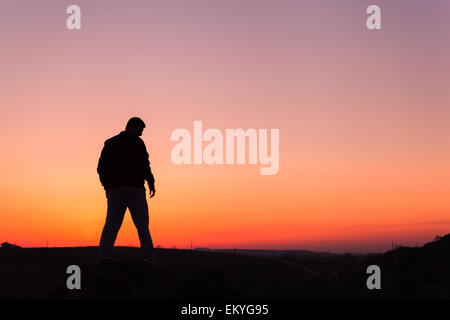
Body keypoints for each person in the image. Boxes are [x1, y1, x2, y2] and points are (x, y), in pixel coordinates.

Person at [97, 117, 156, 266]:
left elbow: (101, 168)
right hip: (135, 189)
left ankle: (103, 258)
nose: (141, 134)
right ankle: (148, 259)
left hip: (115, 190)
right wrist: (151, 182)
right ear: (133, 127)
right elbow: (145, 164)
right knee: (142, 225)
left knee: (111, 225)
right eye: (140, 130)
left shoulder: (110, 143)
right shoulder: (138, 143)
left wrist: (107, 187)